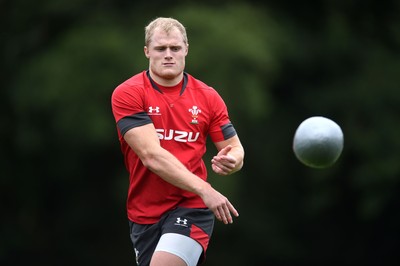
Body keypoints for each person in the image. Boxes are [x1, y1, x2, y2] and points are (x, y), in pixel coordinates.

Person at [111, 17, 245, 266]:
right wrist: (207, 189)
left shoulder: (208, 96)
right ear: (147, 51)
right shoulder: (129, 93)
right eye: (161, 49)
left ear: (186, 49)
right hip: (144, 213)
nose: (168, 55)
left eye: (175, 48)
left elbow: (235, 148)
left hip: (192, 205)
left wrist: (232, 160)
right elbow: (152, 156)